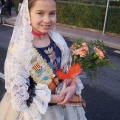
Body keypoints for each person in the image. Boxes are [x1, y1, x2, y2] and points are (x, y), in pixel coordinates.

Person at [0, 0, 87, 120]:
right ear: (28, 13)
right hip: (36, 110)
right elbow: (19, 92)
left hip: (63, 106)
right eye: (40, 13)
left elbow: (67, 70)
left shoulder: (58, 40)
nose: (47, 20)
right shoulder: (21, 48)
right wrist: (50, 98)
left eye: (52, 13)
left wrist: (73, 86)